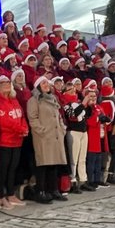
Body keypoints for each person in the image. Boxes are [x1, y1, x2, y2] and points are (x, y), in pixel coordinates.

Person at [27, 75, 68, 203]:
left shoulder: (53, 98)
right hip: (43, 137)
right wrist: (42, 131)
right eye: (43, 83)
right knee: (43, 165)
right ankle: (41, 191)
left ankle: (53, 190)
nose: (46, 85)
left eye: (47, 83)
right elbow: (33, 118)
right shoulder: (34, 100)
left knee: (54, 165)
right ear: (38, 86)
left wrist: (62, 129)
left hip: (56, 136)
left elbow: (59, 116)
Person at [0, 75, 29, 207]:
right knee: (2, 169)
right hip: (3, 140)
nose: (7, 84)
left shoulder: (14, 99)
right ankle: (1, 197)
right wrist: (20, 129)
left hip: (17, 140)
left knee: (13, 168)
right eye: (3, 82)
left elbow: (21, 115)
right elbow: (2, 121)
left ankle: (11, 194)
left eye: (8, 82)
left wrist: (24, 127)